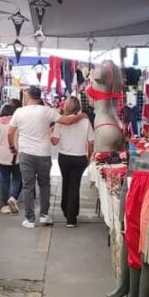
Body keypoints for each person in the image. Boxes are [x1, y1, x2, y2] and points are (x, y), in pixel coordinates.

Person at [8, 85, 87, 229]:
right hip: (43, 154)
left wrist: (12, 147)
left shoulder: (19, 112)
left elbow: (10, 132)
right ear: (40, 97)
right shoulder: (47, 111)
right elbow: (67, 121)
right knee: (44, 185)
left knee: (28, 186)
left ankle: (30, 219)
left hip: (26, 154)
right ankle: (44, 215)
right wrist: (81, 116)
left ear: (27, 96)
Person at [51, 96, 94, 228]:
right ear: (78, 107)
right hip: (80, 157)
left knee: (66, 182)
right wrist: (89, 156)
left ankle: (65, 208)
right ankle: (71, 218)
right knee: (75, 185)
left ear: (66, 106)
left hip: (64, 157)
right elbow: (91, 142)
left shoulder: (60, 121)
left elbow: (54, 141)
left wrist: (49, 133)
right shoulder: (85, 121)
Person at [0, 103, 21, 214]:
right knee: (17, 178)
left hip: (2, 156)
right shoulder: (18, 122)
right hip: (16, 155)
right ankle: (13, 197)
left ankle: (6, 203)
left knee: (4, 179)